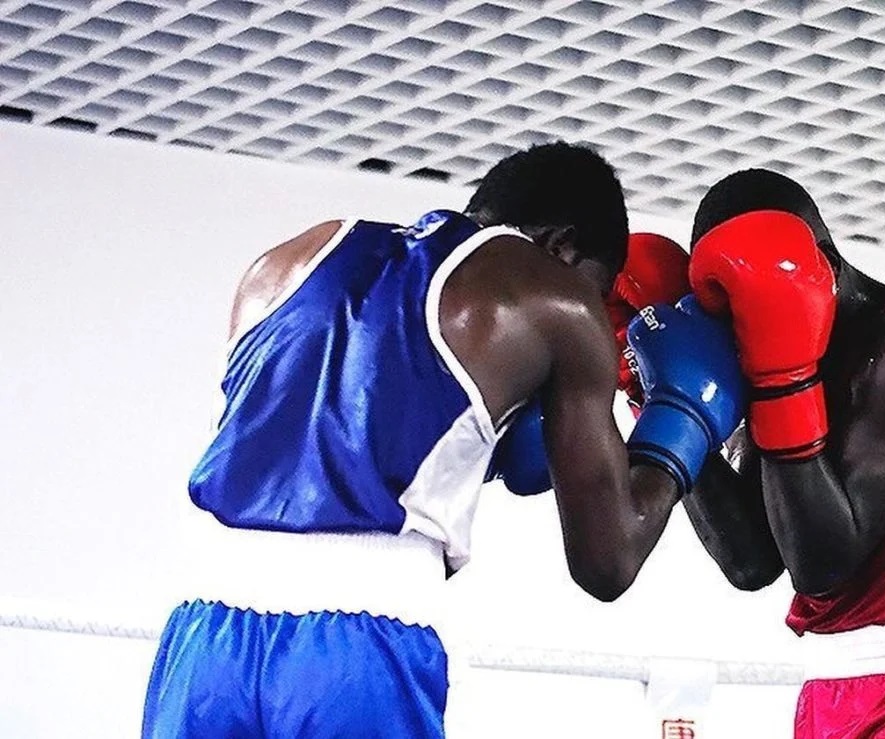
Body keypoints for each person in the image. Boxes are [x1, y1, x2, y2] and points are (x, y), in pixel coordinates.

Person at [141, 141, 746, 738]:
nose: (596, 310)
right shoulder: (551, 297)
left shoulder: (288, 259)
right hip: (360, 646)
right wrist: (681, 416)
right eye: (600, 289)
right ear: (562, 247)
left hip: (201, 642)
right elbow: (607, 563)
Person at [682, 169, 885, 737]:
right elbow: (751, 562)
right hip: (828, 692)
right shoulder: (782, 359)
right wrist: (665, 402)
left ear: (826, 264)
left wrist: (780, 380)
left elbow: (822, 566)